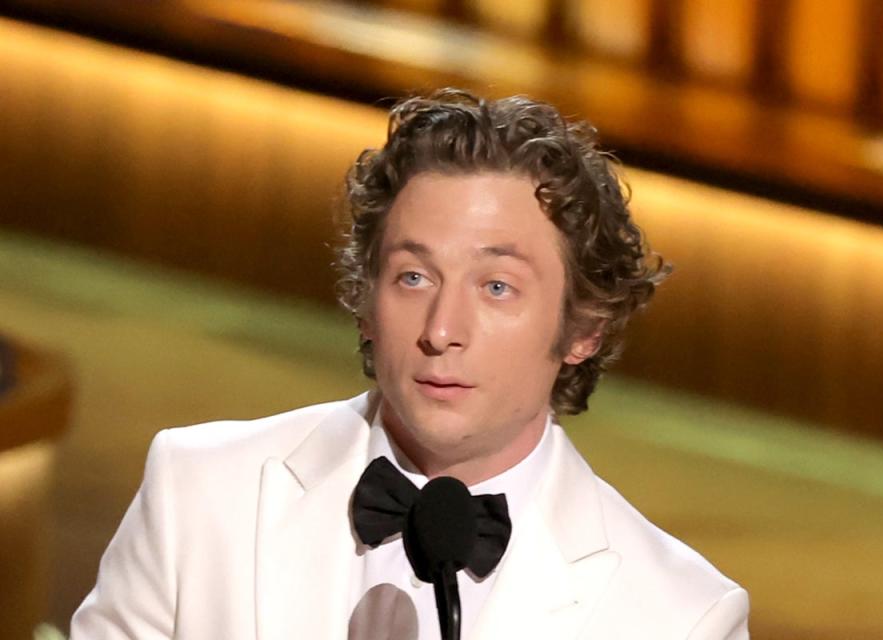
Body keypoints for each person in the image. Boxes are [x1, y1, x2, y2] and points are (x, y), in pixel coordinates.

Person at [71, 88, 749, 639]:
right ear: (366, 303)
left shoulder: (679, 615)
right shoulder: (199, 492)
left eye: (496, 288)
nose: (442, 331)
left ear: (583, 330)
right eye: (414, 278)